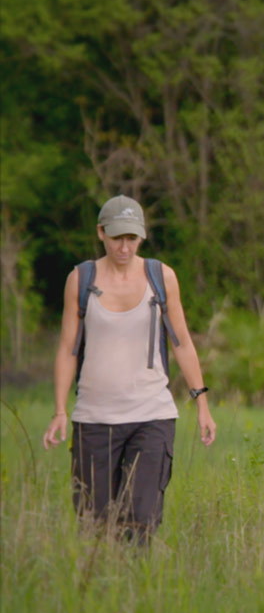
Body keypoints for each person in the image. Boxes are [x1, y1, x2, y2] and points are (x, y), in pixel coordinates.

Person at [42, 195, 217, 544]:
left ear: (142, 236)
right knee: (95, 523)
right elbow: (67, 348)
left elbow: (181, 342)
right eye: (117, 237)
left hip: (151, 414)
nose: (124, 247)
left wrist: (201, 403)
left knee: (141, 520)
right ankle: (101, 592)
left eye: (132, 238)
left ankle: (138, 589)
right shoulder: (81, 279)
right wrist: (61, 410)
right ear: (101, 233)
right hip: (94, 418)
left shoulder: (160, 276)